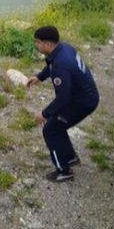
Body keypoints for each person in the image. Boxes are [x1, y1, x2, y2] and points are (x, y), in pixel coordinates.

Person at [26, 26, 99, 183]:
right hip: (84, 96)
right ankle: (69, 157)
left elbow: (63, 98)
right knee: (58, 125)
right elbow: (51, 65)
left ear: (48, 44)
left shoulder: (61, 64)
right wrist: (39, 77)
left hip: (83, 102)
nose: (36, 45)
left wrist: (44, 113)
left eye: (38, 43)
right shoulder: (63, 48)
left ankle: (64, 171)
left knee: (50, 130)